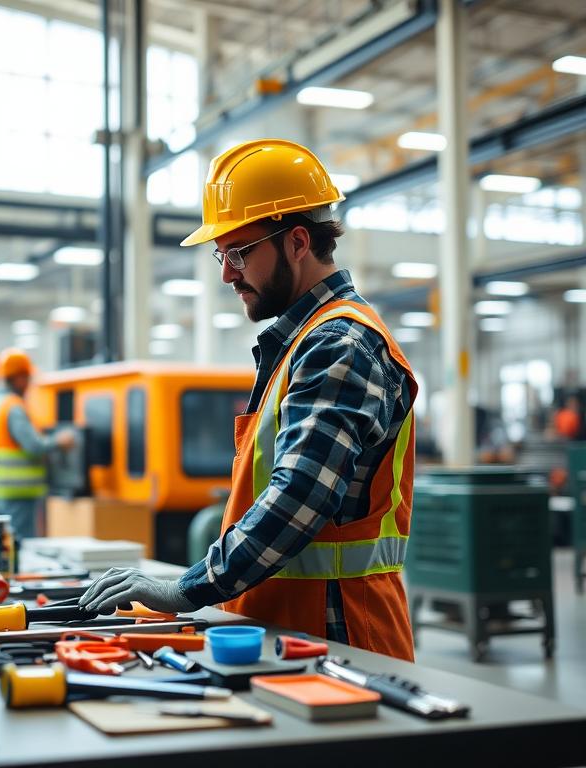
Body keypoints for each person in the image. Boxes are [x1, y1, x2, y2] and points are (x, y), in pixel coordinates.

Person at [79, 139, 419, 661]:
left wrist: (184, 590)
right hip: (286, 630)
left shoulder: (339, 345)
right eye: (222, 254)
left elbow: (300, 496)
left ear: (298, 242)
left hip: (339, 637)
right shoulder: (302, 342)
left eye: (239, 252)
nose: (226, 273)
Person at [0, 347, 75, 540]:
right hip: (18, 491)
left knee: (4, 544)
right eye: (27, 378)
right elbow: (33, 446)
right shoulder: (13, 407)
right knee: (21, 544)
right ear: (18, 378)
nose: (29, 383)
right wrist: (59, 441)